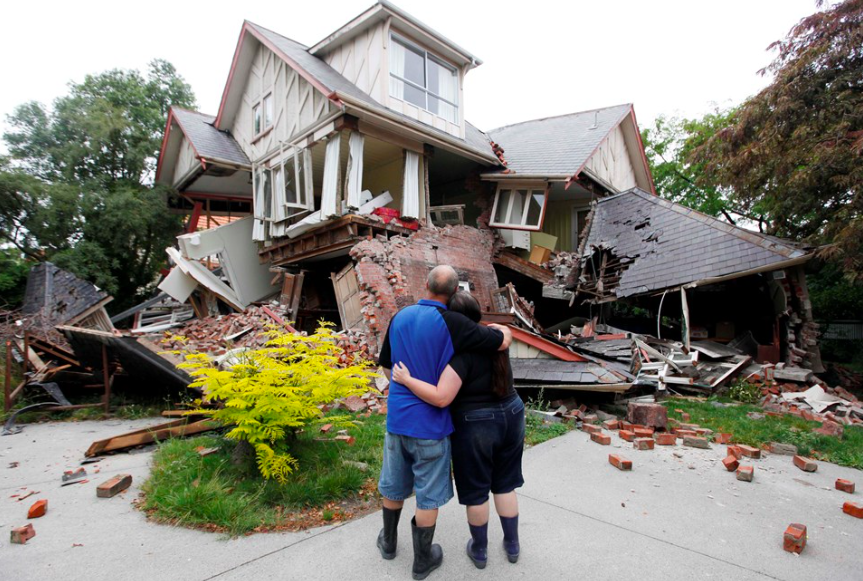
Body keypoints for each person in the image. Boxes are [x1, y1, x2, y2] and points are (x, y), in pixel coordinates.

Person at [376, 266, 512, 580]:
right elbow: (498, 342)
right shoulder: (454, 323)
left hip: (397, 419)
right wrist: (505, 331)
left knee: (394, 484)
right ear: (453, 294)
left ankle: (388, 542)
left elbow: (385, 367)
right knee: (426, 495)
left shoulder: (400, 316)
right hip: (431, 426)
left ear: (425, 285)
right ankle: (422, 561)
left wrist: (404, 386)